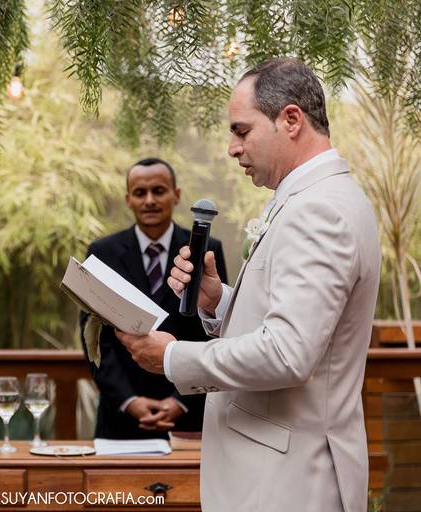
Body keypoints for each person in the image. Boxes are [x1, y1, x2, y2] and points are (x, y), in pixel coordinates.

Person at [118, 58, 381, 512]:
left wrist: (173, 358)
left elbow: (288, 353)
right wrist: (219, 301)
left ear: (291, 120)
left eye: (241, 131)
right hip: (271, 473)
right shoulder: (313, 199)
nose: (232, 149)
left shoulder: (319, 210)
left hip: (286, 483)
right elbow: (300, 325)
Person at [80, 158, 227, 439]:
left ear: (176, 195)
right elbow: (95, 338)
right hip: (120, 419)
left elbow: (212, 330)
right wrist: (129, 401)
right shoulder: (102, 252)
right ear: (128, 199)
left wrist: (180, 402)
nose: (149, 200)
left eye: (158, 191)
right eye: (140, 193)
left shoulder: (206, 248)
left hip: (188, 417)